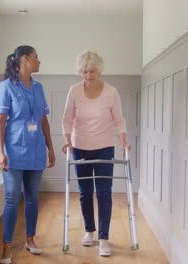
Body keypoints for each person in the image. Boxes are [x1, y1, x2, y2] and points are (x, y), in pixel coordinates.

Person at [61, 50, 131, 257]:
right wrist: (66, 139)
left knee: (104, 193)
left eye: (92, 71)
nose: (89, 75)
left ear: (99, 70)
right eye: (85, 71)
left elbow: (118, 120)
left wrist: (123, 140)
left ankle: (103, 238)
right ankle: (89, 231)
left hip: (104, 147)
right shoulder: (74, 91)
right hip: (80, 146)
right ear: (80, 71)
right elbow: (67, 118)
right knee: (84, 192)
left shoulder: (111, 92)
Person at [0, 45, 56, 264]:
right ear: (24, 60)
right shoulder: (6, 86)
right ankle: (7, 247)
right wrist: (1, 152)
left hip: (37, 150)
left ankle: (30, 239)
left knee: (32, 199)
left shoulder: (38, 87)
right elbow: (0, 121)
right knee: (12, 199)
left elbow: (44, 120)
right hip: (13, 152)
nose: (39, 61)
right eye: (36, 58)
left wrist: (50, 147)